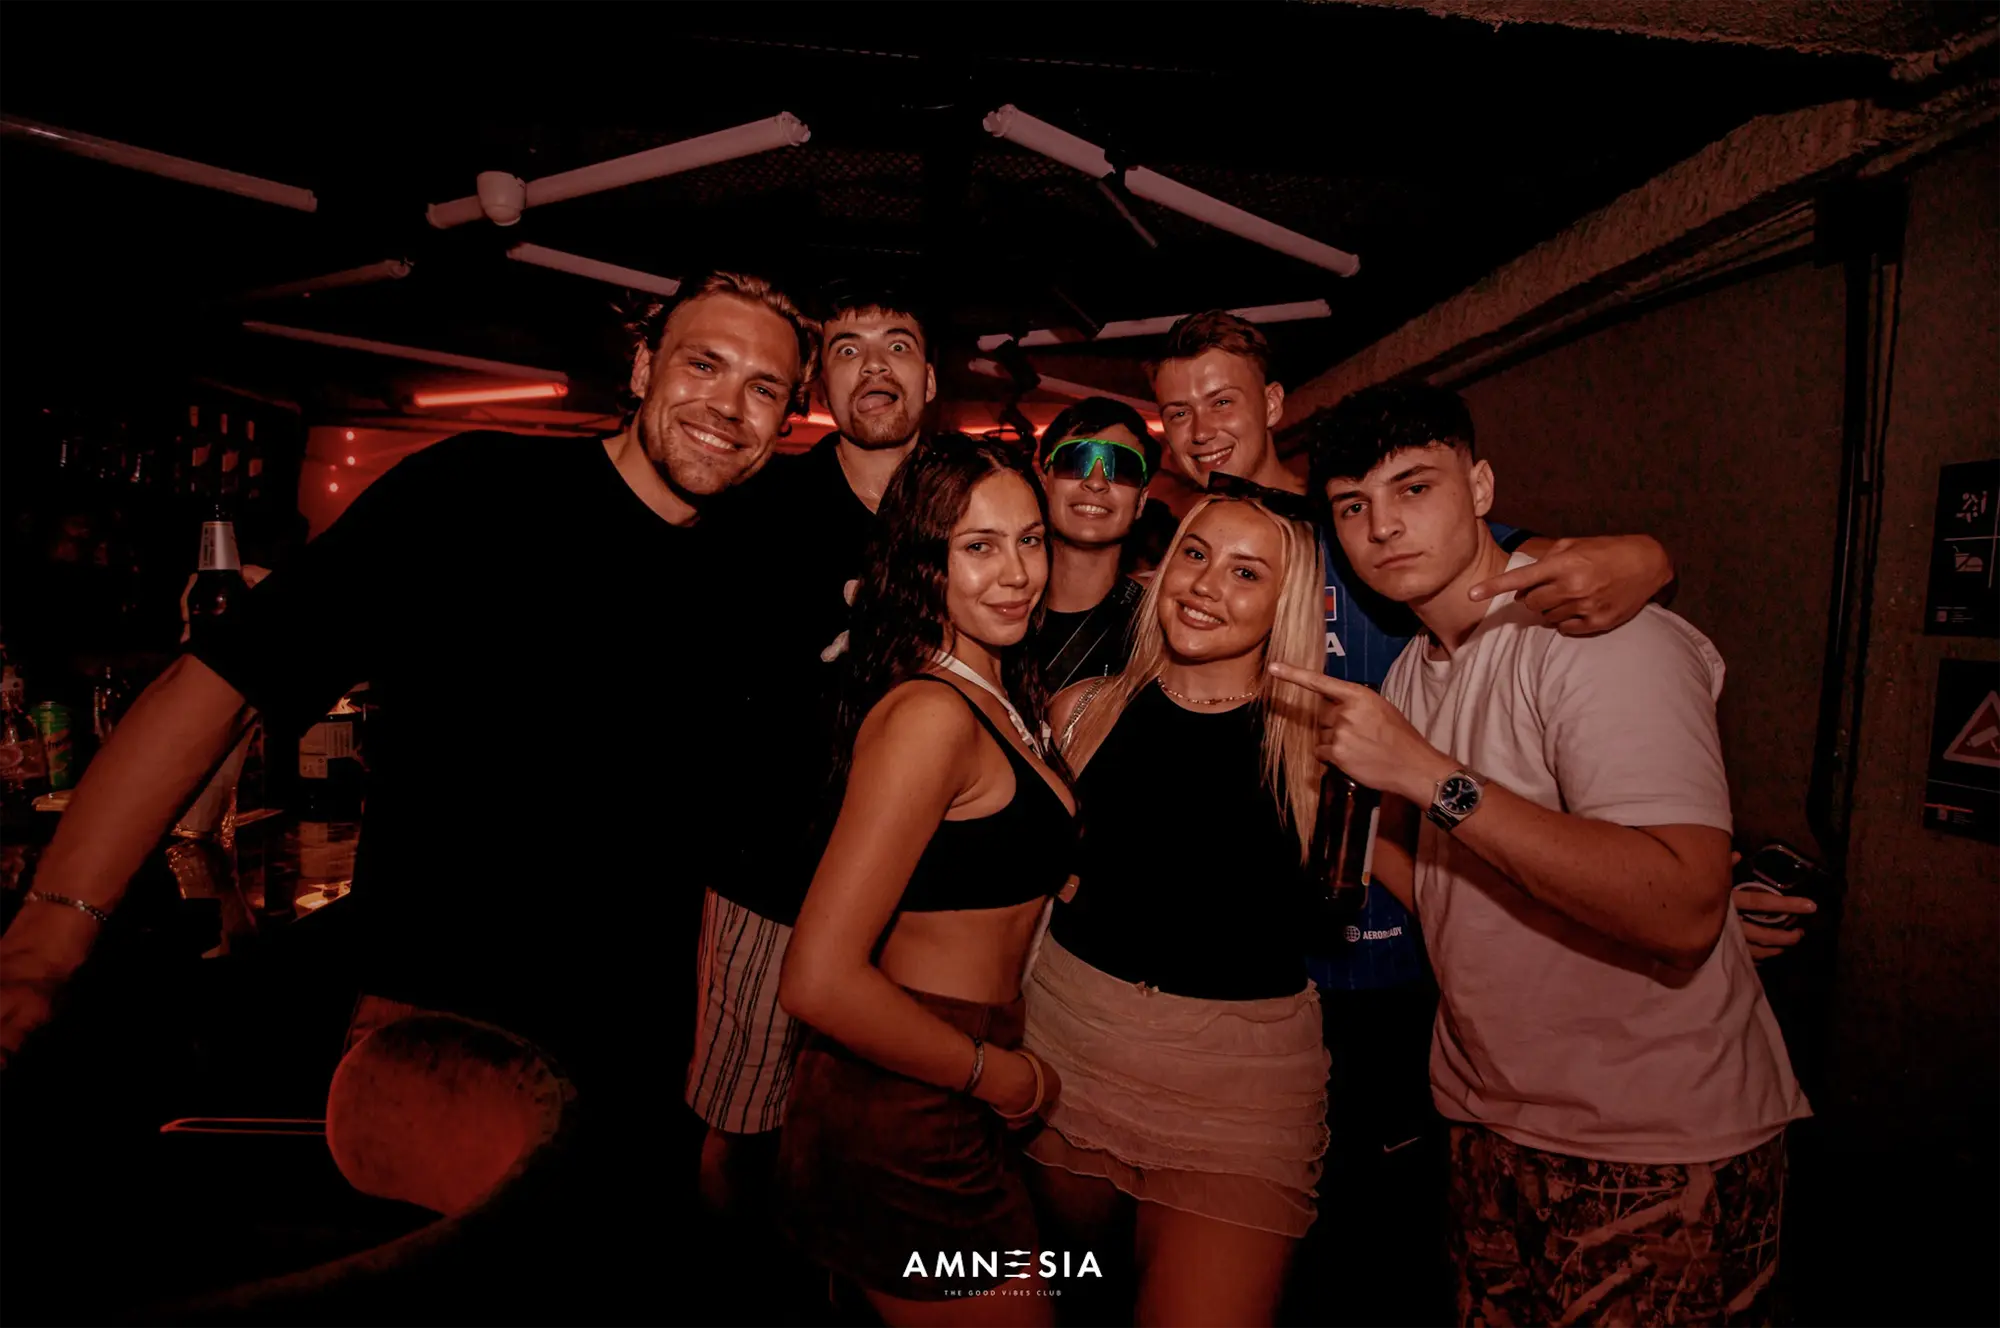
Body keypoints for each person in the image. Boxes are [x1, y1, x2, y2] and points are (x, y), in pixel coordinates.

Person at [0, 270, 818, 1095]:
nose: (727, 407)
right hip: (442, 1032)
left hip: (635, 1046)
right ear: (643, 368)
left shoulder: (758, 570)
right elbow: (221, 684)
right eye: (704, 364)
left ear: (785, 418)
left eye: (763, 388)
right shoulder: (475, 494)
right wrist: (48, 940)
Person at [1146, 309, 1677, 1322]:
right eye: (1176, 411)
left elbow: (1539, 565)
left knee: (1384, 1224)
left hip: (1414, 950)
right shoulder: (1195, 548)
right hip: (1272, 948)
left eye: (1220, 399)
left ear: (1272, 403)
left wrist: (1645, 555)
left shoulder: (1361, 530)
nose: (1200, 427)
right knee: (1280, 1209)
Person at [1285, 383, 1808, 1326]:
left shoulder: (1595, 637)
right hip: (1489, 1119)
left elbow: (1684, 910)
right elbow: (1449, 887)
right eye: (1353, 506)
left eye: (1414, 487)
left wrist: (1430, 776)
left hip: (1651, 1144)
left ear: (1481, 487)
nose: (1384, 526)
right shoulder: (1413, 670)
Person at [777, 435, 1076, 1322]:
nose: (1016, 573)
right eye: (978, 546)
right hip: (911, 1098)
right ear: (924, 562)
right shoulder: (929, 716)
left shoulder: (995, 689)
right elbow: (817, 979)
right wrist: (998, 1077)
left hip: (942, 1079)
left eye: (1030, 540)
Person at [1023, 483, 1334, 1328]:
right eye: (1195, 554)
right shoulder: (1081, 711)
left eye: (1245, 572)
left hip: (1238, 1093)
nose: (1205, 585)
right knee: (1070, 1305)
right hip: (1069, 1053)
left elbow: (1430, 899)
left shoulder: (1321, 751)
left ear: (1285, 604)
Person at [684, 280, 939, 1222]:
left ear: (930, 378)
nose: (876, 366)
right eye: (847, 348)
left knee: (888, 1131)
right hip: (771, 876)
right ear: (819, 386)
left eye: (898, 343)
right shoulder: (757, 505)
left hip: (927, 891)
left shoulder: (972, 507)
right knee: (743, 1125)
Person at [1031, 397, 1160, 692]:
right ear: (1044, 484)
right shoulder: (996, 612)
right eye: (1074, 462)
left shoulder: (1159, 630)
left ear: (1140, 502)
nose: (1096, 482)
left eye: (1122, 467)